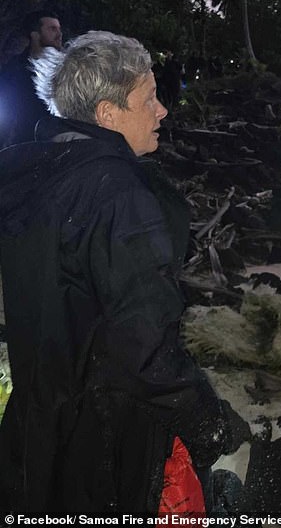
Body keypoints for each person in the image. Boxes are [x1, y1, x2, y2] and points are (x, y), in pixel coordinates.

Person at [0, 31, 228, 513]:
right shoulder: (119, 194)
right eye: (148, 98)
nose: (162, 110)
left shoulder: (35, 172)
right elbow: (144, 345)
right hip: (105, 434)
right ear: (107, 114)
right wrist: (207, 419)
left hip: (38, 420)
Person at [0, 11, 63, 146]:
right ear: (35, 34)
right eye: (52, 29)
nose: (59, 34)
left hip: (56, 145)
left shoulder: (66, 70)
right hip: (20, 145)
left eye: (59, 29)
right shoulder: (15, 69)